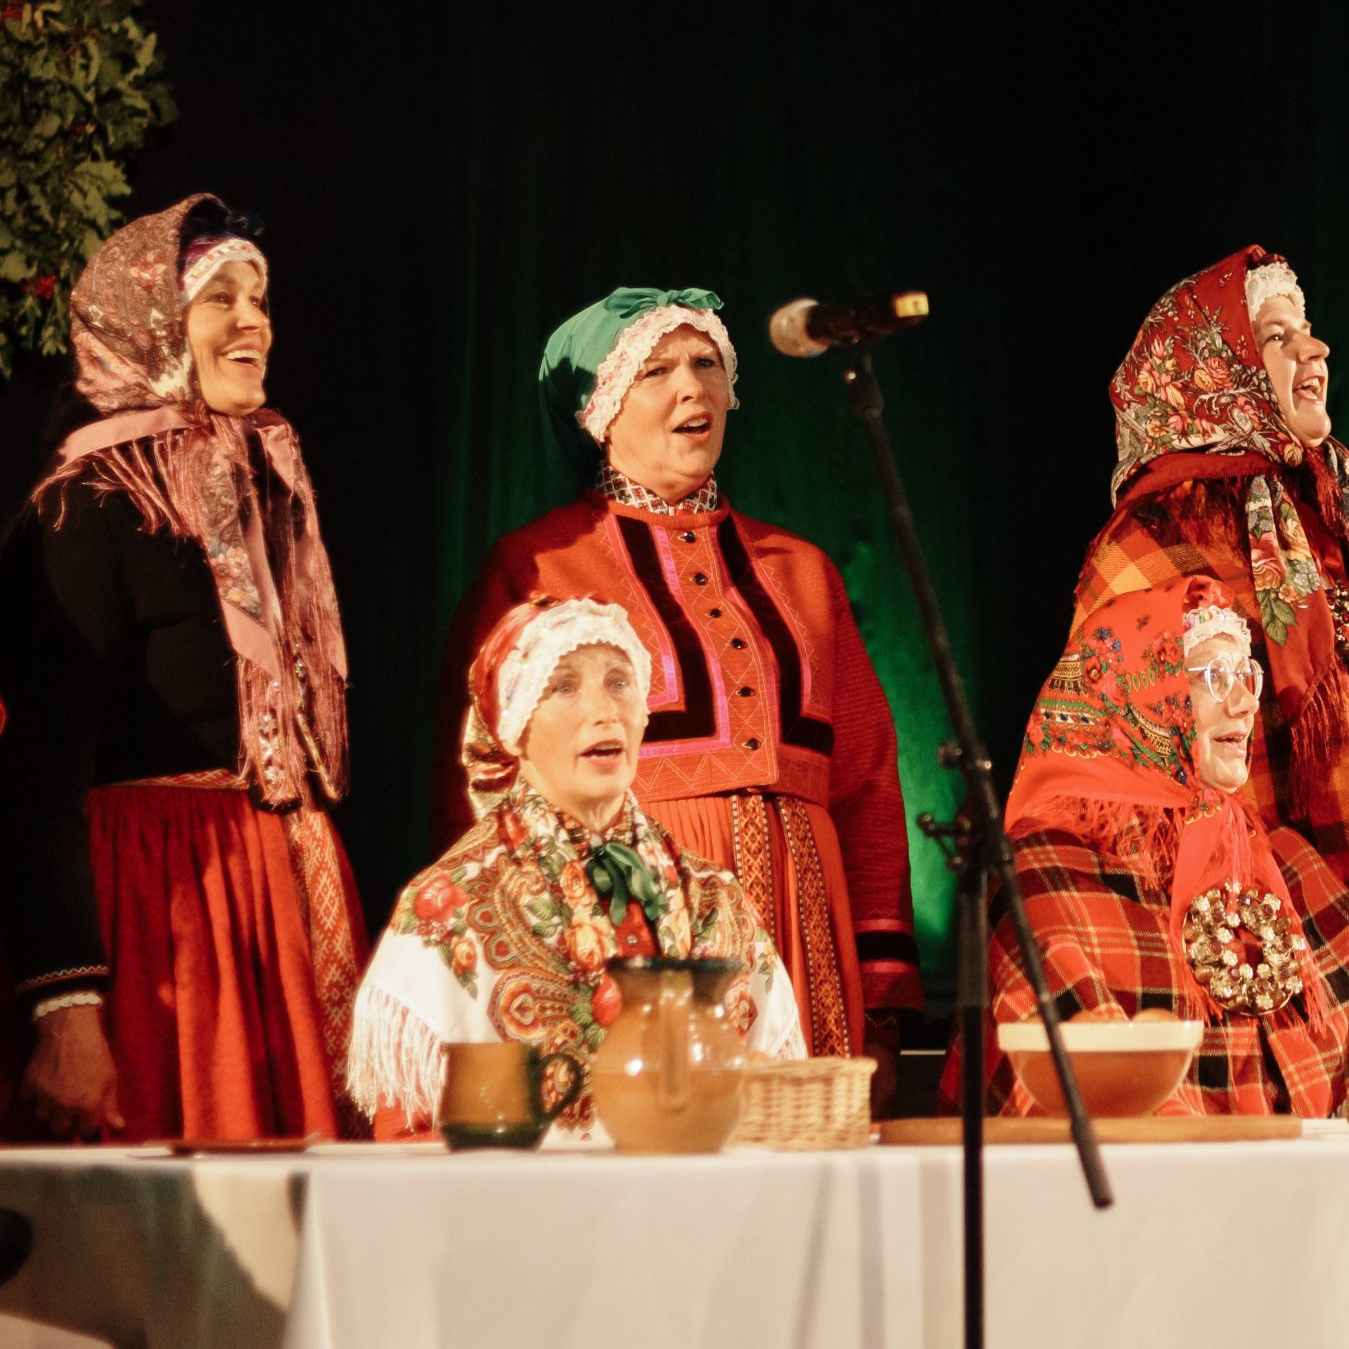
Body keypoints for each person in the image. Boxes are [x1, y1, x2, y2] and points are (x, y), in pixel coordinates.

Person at [432, 287, 912, 1085]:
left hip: (805, 941)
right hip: (631, 941)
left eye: (706, 363)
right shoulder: (540, 568)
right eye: (656, 370)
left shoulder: (802, 571)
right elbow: (480, 792)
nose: (692, 386)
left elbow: (866, 784)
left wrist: (886, 1001)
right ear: (599, 411)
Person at [1073, 248, 1349, 1048]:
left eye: (1307, 329)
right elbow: (1116, 774)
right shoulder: (1153, 539)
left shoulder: (1331, 511)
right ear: (1216, 372)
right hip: (1242, 921)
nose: (1316, 349)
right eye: (1278, 337)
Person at [0, 194, 365, 1141]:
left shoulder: (266, 485)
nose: (254, 322)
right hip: (161, 904)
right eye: (220, 300)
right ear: (152, 324)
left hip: (270, 897)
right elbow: (35, 779)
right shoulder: (89, 504)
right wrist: (65, 1003)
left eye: (261, 299)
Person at [951, 578, 1349, 1116]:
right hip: (1149, 1168)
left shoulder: (1291, 867)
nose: (1244, 704)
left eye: (1246, 676)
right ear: (1137, 695)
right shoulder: (1049, 871)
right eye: (1213, 677)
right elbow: (1086, 1101)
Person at [352, 596, 802, 1135]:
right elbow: (413, 1137)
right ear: (515, 726)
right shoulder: (453, 901)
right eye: (564, 687)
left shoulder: (716, 898)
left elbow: (776, 1103)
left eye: (619, 683)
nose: (604, 711)